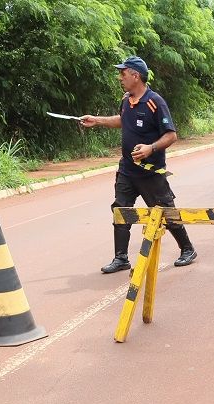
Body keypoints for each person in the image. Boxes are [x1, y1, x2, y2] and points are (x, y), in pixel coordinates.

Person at [80, 55, 196, 273]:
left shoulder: (155, 102)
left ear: (135, 75)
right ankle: (121, 258)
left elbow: (171, 135)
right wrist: (97, 120)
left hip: (150, 172)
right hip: (127, 170)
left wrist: (150, 148)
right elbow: (123, 120)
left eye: (123, 74)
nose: (119, 77)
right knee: (120, 209)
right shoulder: (126, 100)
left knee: (164, 211)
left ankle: (187, 249)